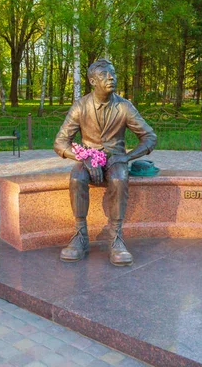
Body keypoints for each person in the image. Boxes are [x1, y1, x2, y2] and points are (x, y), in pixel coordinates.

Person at [53, 59, 157, 266]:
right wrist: (83, 157)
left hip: (116, 160)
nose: (111, 77)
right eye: (104, 75)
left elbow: (150, 137)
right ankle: (80, 236)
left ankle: (115, 238)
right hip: (87, 159)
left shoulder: (124, 107)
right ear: (92, 81)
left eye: (113, 73)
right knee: (76, 176)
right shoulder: (81, 106)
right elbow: (60, 142)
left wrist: (126, 157)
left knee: (119, 177)